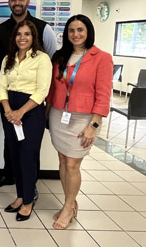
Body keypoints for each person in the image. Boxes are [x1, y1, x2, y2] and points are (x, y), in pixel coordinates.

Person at [47, 14, 112, 229]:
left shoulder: (101, 57)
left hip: (84, 118)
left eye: (80, 30)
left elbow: (104, 94)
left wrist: (94, 125)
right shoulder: (59, 56)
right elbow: (53, 88)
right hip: (59, 114)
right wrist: (46, 113)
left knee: (73, 164)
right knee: (63, 159)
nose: (76, 34)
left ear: (88, 32)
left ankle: (68, 207)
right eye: (72, 30)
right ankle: (70, 203)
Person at [0, 0, 57, 190]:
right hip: (9, 97)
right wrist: (8, 105)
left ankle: (30, 186)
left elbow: (50, 58)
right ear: (9, 2)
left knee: (29, 147)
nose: (17, 2)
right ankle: (10, 176)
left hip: (32, 100)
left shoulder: (44, 28)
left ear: (28, 1)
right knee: (11, 141)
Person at [0, 20, 52, 221]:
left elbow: (42, 91)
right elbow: (2, 86)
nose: (22, 37)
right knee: (14, 155)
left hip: (31, 110)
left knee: (27, 157)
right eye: (19, 34)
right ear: (14, 37)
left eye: (27, 34)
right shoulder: (8, 59)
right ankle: (20, 196)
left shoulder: (42, 59)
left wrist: (20, 111)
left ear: (33, 37)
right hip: (10, 108)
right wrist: (8, 110)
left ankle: (29, 200)